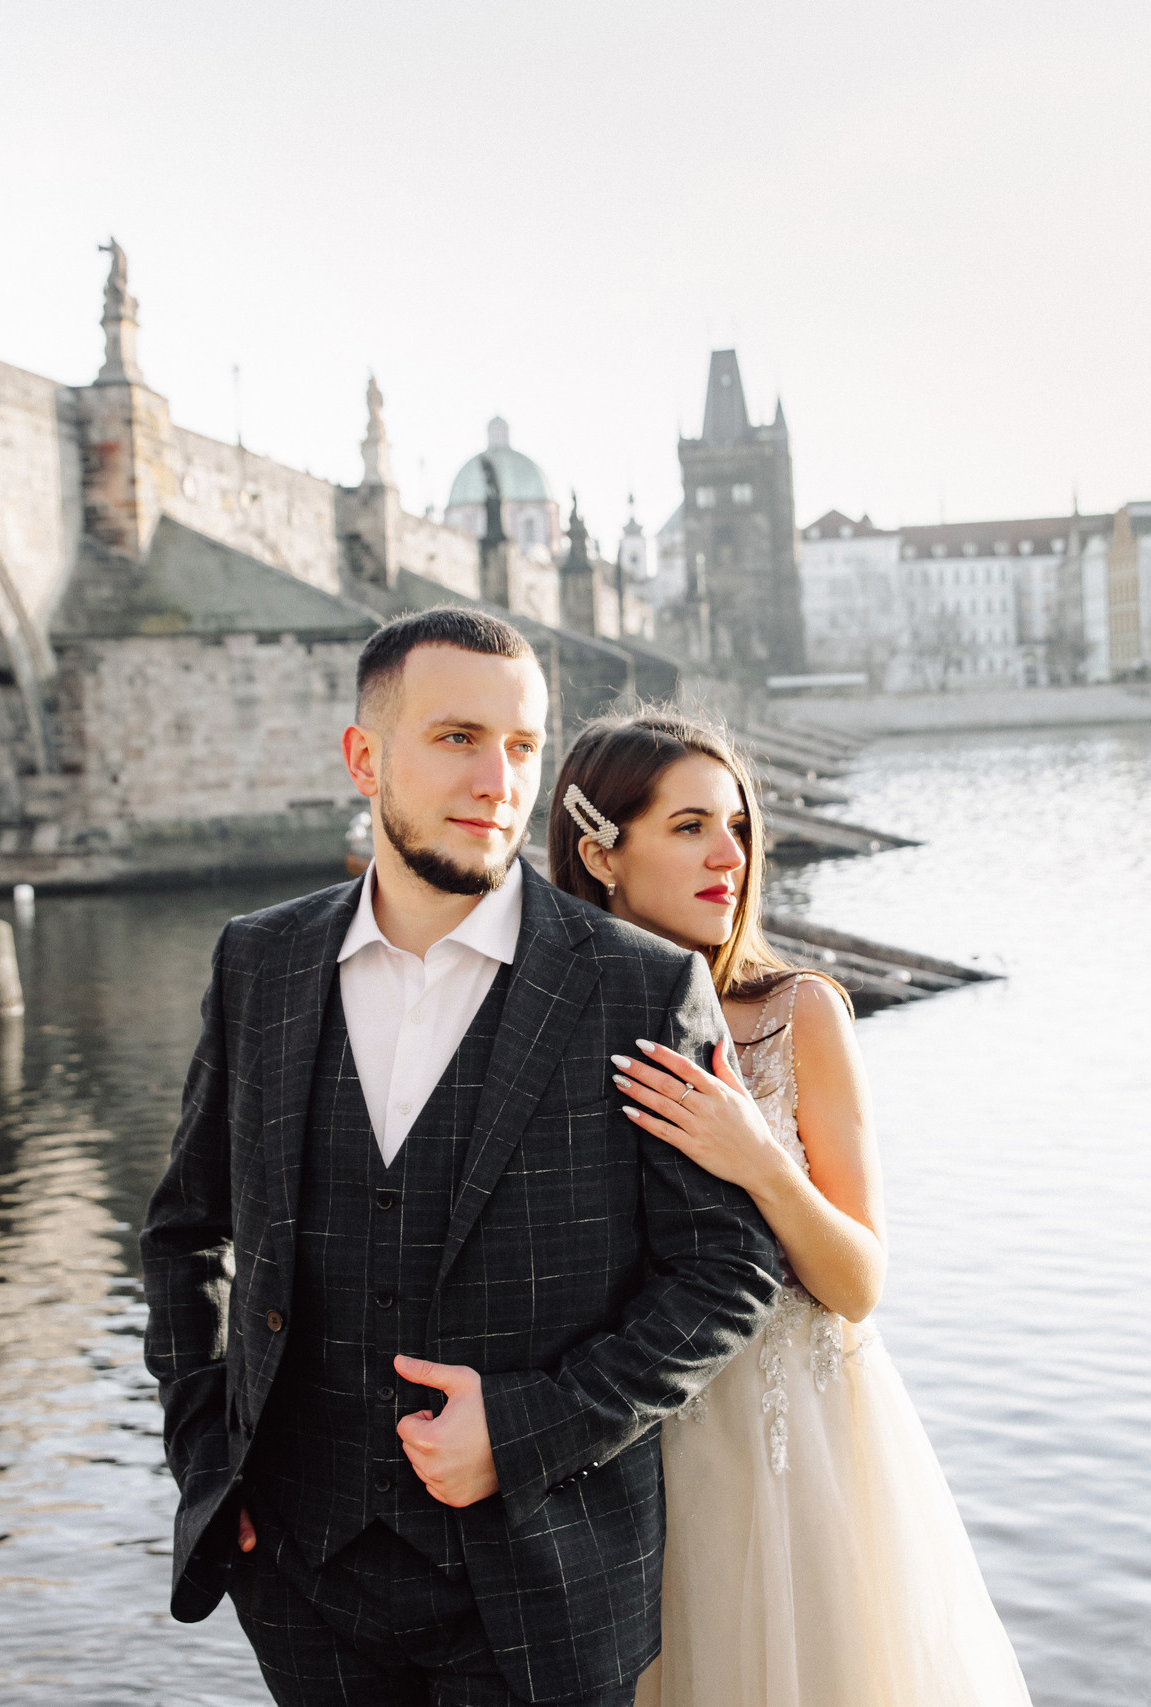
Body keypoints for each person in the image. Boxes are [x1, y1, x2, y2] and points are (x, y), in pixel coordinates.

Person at [140, 609, 783, 1707]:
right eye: (456, 739)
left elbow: (729, 1272)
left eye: (523, 747)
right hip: (303, 1577)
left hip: (547, 1585)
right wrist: (213, 1460)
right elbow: (185, 1233)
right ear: (364, 757)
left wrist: (531, 1426)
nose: (498, 779)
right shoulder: (260, 961)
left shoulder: (638, 988)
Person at [549, 709, 1034, 1707]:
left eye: (735, 827)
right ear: (601, 852)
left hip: (798, 1446)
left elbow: (857, 1282)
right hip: (627, 1450)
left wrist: (760, 1160)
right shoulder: (547, 1029)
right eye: (689, 828)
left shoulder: (794, 1014)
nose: (729, 855)